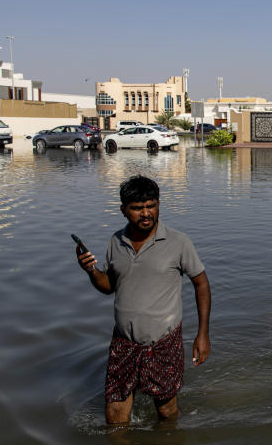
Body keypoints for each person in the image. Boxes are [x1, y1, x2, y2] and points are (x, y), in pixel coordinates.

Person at [76, 175, 211, 424]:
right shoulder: (116, 242)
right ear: (123, 210)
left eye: (151, 206)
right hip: (123, 344)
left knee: (167, 413)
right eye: (137, 208)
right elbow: (109, 287)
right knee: (115, 418)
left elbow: (201, 283)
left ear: (159, 204)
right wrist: (91, 271)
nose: (146, 213)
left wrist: (202, 335)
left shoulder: (178, 242)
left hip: (163, 344)